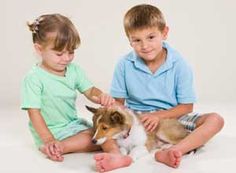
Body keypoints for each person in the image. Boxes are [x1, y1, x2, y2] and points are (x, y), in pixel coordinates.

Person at [94, 4, 224, 172]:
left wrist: (157, 116)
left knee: (216, 120)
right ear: (129, 40)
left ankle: (174, 150)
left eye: (151, 37)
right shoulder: (124, 64)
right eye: (137, 40)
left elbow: (186, 107)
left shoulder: (179, 64)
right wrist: (109, 105)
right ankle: (118, 156)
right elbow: (119, 104)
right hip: (137, 119)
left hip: (173, 117)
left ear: (164, 33)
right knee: (100, 121)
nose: (145, 45)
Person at [21, 13, 120, 163]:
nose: (66, 58)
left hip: (72, 126)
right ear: (39, 49)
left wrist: (101, 96)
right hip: (50, 131)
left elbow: (90, 91)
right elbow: (34, 113)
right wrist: (48, 139)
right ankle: (58, 146)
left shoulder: (74, 70)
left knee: (104, 134)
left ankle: (115, 156)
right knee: (93, 138)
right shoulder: (34, 78)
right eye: (59, 53)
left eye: (71, 52)